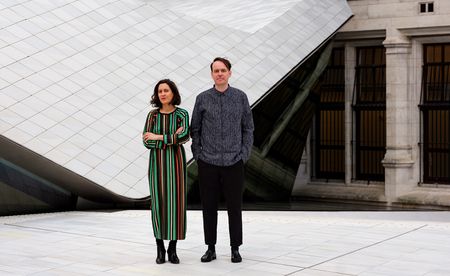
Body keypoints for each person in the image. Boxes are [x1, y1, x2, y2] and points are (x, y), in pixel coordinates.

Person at [190, 57, 254, 263]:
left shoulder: (240, 97)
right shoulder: (202, 98)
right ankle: (210, 248)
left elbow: (248, 127)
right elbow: (195, 129)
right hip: (207, 161)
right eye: (216, 70)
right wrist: (198, 155)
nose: (219, 73)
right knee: (208, 207)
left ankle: (235, 248)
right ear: (211, 74)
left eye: (223, 70)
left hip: (234, 161)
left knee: (234, 207)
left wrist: (244, 154)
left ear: (229, 73)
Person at [143, 79, 190, 264]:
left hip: (176, 165)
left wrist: (159, 137)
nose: (163, 94)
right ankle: (160, 247)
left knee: (176, 205)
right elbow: (146, 141)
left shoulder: (182, 114)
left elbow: (185, 135)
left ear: (173, 93)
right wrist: (171, 138)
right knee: (158, 205)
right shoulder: (152, 116)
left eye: (166, 90)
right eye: (160, 91)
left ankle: (173, 248)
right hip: (157, 166)